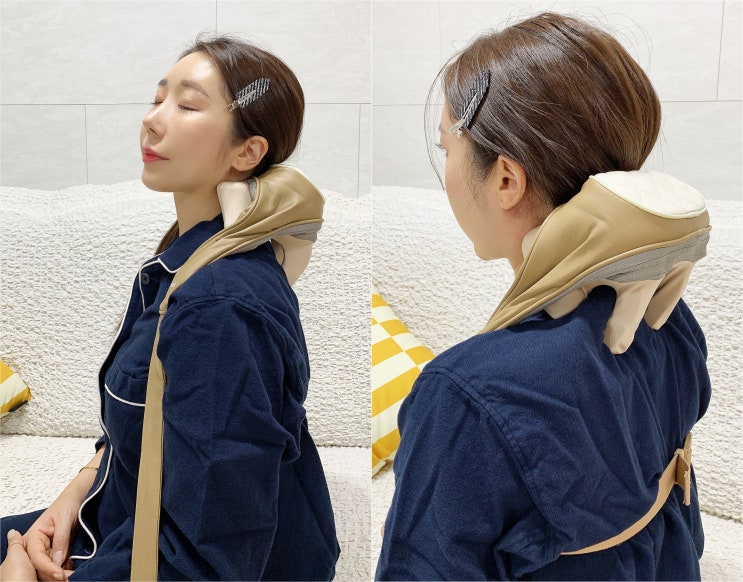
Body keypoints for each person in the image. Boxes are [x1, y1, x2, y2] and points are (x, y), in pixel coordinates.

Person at [377, 12, 711, 581]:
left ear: (506, 179)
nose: (446, 173)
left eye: (447, 148)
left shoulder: (465, 396)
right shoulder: (664, 314)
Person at [0, 36, 339, 581]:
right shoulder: (186, 263)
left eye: (186, 105)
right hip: (124, 512)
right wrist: (79, 489)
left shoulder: (220, 308)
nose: (152, 120)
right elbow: (148, 426)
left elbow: (211, 561)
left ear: (247, 152)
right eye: (158, 99)